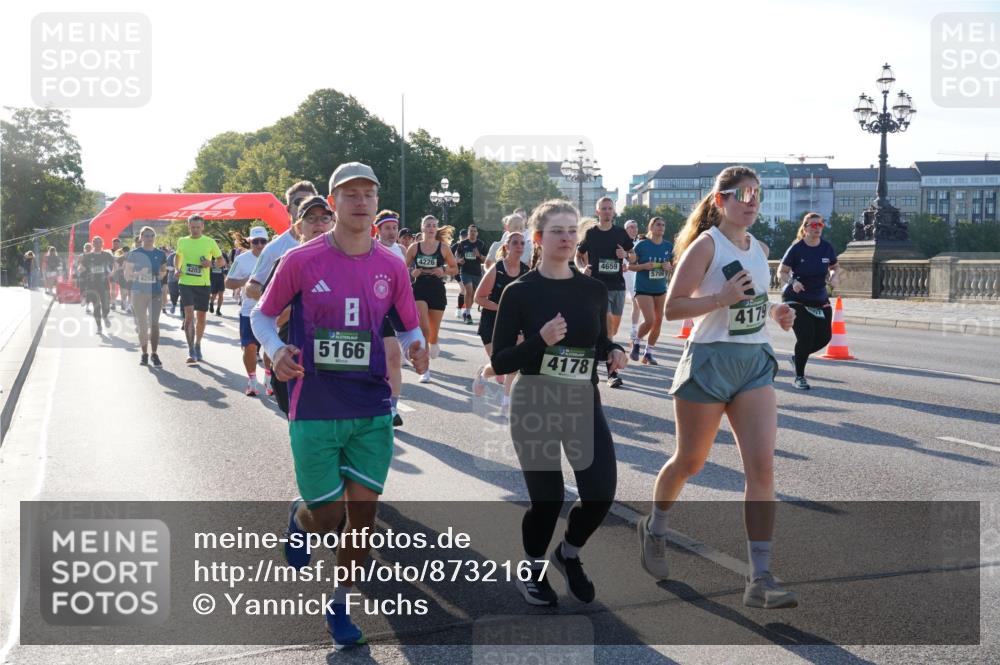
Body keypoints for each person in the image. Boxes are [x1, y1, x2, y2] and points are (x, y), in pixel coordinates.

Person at [251, 162, 429, 649]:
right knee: (328, 518)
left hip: (372, 405)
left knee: (363, 518)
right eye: (349, 193)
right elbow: (261, 315)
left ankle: (340, 603)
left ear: (376, 203)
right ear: (333, 203)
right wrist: (275, 350)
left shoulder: (391, 264)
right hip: (314, 405)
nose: (360, 201)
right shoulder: (302, 260)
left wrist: (416, 346)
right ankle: (301, 515)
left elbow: (410, 325)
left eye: (368, 193)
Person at [636, 166, 798, 610]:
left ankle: (760, 577)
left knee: (762, 469)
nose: (751, 202)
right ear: (720, 200)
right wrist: (719, 299)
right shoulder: (706, 246)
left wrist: (777, 314)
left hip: (753, 366)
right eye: (743, 194)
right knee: (690, 461)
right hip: (708, 364)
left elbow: (755, 303)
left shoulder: (760, 248)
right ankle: (656, 526)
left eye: (757, 195)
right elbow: (673, 308)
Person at [480, 199, 627, 607]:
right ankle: (533, 568)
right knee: (548, 500)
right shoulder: (520, 292)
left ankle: (569, 553)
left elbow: (596, 342)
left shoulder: (593, 289)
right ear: (538, 239)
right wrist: (541, 340)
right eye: (556, 231)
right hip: (535, 401)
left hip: (582, 400)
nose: (565, 238)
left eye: (571, 231)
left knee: (600, 493)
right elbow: (501, 360)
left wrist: (613, 350)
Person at [264, 196, 337, 414]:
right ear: (298, 227)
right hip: (296, 358)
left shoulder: (350, 261)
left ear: (334, 223)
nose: (319, 224)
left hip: (338, 358)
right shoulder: (288, 262)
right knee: (306, 433)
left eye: (325, 218)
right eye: (311, 219)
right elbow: (266, 316)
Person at [575, 197, 636, 388]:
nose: (607, 211)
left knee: (612, 330)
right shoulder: (591, 233)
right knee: (608, 327)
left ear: (614, 212)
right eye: (604, 208)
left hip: (617, 286)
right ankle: (612, 373)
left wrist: (626, 256)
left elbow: (634, 257)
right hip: (597, 287)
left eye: (610, 208)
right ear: (597, 212)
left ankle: (603, 348)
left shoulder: (620, 233)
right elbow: (578, 255)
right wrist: (582, 269)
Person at [778, 213, 839, 390]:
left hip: (819, 298)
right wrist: (793, 282)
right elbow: (781, 272)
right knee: (806, 337)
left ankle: (798, 357)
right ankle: (799, 376)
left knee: (824, 337)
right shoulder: (796, 249)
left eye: (820, 225)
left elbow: (834, 266)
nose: (817, 228)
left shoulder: (827, 248)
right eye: (813, 225)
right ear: (805, 228)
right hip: (796, 298)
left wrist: (834, 276)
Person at [471, 230, 529, 412]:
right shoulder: (497, 269)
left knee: (513, 360)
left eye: (522, 243)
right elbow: (478, 298)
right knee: (499, 364)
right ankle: (483, 374)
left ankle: (507, 399)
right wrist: (501, 308)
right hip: (491, 323)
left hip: (515, 324)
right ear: (506, 247)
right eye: (515, 243)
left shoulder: (526, 271)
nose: (519, 246)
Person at [405, 214, 458, 383]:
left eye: (433, 226)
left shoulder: (443, 248)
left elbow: (454, 268)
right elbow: (402, 268)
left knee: (433, 333)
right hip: (419, 288)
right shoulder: (414, 247)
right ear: (422, 228)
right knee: (423, 328)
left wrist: (443, 270)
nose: (431, 228)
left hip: (436, 289)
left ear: (436, 229)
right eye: (428, 225)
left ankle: (434, 342)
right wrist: (411, 273)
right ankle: (425, 370)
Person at [245, 181, 318, 302]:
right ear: (288, 209)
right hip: (287, 320)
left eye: (310, 202)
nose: (304, 206)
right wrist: (284, 302)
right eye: (299, 202)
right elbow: (251, 288)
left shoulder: (332, 242)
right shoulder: (274, 248)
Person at [225, 226, 270, 395]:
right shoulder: (242, 260)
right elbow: (228, 283)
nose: (259, 245)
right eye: (256, 242)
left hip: (271, 310)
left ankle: (268, 377)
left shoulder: (276, 258)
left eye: (263, 241)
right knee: (250, 347)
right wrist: (247, 280)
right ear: (250, 241)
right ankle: (252, 381)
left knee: (270, 347)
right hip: (249, 311)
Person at [374, 209, 409, 426]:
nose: (392, 232)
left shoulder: (401, 251)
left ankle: (392, 408)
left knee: (394, 358)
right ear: (378, 230)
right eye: (387, 228)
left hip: (390, 311)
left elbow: (404, 285)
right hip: (368, 311)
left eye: (394, 228)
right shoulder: (367, 248)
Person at [175, 215, 223, 363]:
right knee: (189, 315)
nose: (195, 230)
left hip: (203, 284)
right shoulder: (182, 241)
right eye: (192, 227)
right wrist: (177, 268)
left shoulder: (210, 242)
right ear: (188, 226)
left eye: (198, 227)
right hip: (186, 283)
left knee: (201, 316)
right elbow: (178, 256)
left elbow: (221, 261)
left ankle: (197, 344)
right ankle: (191, 351)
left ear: (202, 226)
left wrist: (211, 264)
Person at [627, 217, 674, 365]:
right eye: (658, 224)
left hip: (660, 288)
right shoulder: (642, 245)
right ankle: (636, 342)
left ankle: (648, 353)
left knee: (658, 321)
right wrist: (644, 266)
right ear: (651, 227)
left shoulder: (668, 246)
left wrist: (669, 266)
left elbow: (671, 265)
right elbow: (630, 266)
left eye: (663, 225)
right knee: (650, 320)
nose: (661, 227)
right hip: (643, 288)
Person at [124, 226, 167, 367]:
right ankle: (144, 354)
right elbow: (127, 275)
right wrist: (139, 274)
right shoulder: (134, 253)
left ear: (154, 237)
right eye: (146, 236)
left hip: (155, 292)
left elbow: (163, 271)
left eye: (151, 236)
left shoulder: (160, 254)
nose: (149, 238)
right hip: (139, 292)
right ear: (141, 238)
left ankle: (154, 354)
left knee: (154, 324)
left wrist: (160, 275)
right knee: (142, 325)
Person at [79, 237, 115, 333]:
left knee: (106, 304)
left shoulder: (107, 255)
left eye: (99, 242)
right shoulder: (88, 256)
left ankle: (105, 316)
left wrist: (112, 272)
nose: (97, 244)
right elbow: (81, 266)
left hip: (104, 283)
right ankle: (99, 326)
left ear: (102, 244)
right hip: (92, 284)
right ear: (93, 244)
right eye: (95, 242)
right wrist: (81, 269)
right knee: (96, 306)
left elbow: (115, 265)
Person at [455, 223, 487, 324]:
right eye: (471, 231)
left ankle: (466, 311)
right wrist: (459, 260)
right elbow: (457, 255)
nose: (472, 233)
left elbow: (486, 259)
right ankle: (468, 314)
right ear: (468, 233)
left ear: (477, 233)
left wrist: (479, 255)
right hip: (465, 271)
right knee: (468, 290)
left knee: (473, 295)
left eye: (474, 231)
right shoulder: (463, 243)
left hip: (477, 272)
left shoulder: (481, 244)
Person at [623, 219, 642, 344]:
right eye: (630, 227)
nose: (633, 229)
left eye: (635, 227)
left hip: (634, 275)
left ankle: (634, 331)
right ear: (625, 229)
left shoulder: (640, 243)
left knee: (637, 303)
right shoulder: (619, 242)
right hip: (620, 275)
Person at [451, 228, 468, 319]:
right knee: (463, 289)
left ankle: (464, 309)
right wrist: (457, 260)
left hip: (468, 271)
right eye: (463, 236)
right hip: (457, 271)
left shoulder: (470, 246)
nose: (464, 238)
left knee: (467, 291)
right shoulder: (455, 246)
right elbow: (447, 258)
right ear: (460, 237)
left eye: (466, 236)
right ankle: (459, 309)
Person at [209, 251, 228, 316]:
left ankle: (218, 310)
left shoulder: (223, 254)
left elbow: (226, 265)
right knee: (214, 294)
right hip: (212, 277)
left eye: (218, 242)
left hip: (221, 277)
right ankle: (211, 303)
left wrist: (225, 274)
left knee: (221, 294)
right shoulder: (210, 254)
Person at [165, 247, 180, 315]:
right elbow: (166, 266)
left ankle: (183, 311)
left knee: (183, 295)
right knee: (174, 294)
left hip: (184, 280)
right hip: (172, 279)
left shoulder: (186, 255)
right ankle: (174, 304)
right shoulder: (171, 256)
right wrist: (174, 269)